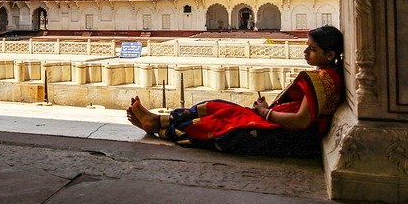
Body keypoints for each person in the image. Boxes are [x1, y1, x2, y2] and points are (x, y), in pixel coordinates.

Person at [126, 25, 344, 158]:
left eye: (312, 49)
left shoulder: (324, 80)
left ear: (330, 54)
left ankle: (158, 126)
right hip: (280, 125)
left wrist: (265, 112)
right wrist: (265, 110)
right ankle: (158, 120)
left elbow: (301, 121)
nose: (305, 52)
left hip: (289, 137)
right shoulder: (326, 76)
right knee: (218, 106)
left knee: (222, 127)